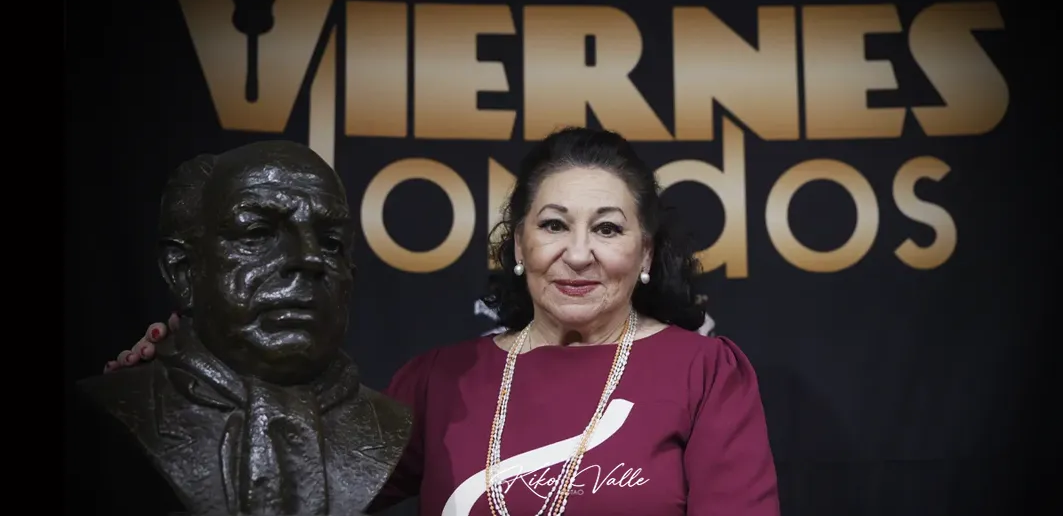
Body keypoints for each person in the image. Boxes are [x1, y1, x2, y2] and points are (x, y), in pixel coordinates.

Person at [103, 127, 781, 515]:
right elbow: (298, 491)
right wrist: (184, 384)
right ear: (519, 246)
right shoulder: (440, 380)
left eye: (607, 228)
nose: (579, 254)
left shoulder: (703, 373)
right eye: (553, 225)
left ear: (645, 254)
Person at [76, 141, 412, 516]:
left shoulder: (394, 426)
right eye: (257, 232)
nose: (309, 258)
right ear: (183, 271)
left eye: (331, 242)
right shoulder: (120, 409)